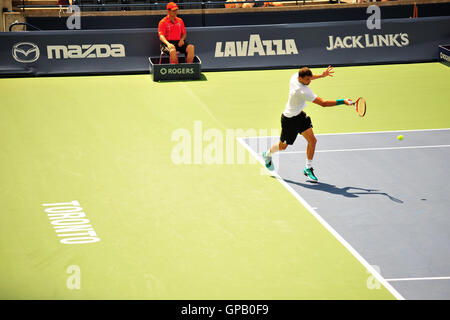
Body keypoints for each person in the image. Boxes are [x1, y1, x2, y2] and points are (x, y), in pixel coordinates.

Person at [262, 66, 353, 182]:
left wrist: (321, 75)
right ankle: (267, 154)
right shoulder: (302, 91)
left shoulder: (295, 76)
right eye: (307, 80)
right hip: (289, 120)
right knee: (282, 147)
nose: (309, 82)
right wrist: (342, 101)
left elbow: (309, 77)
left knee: (312, 141)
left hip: (300, 117)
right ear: (300, 79)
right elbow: (323, 103)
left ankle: (308, 168)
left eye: (310, 79)